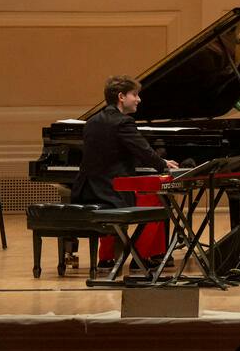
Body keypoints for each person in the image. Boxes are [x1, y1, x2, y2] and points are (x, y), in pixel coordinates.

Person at [74, 76, 178, 264]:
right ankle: (143, 257)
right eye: (135, 95)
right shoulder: (123, 122)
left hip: (88, 190)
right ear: (121, 96)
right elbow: (144, 151)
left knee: (134, 190)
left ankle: (107, 258)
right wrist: (163, 164)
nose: (139, 99)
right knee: (158, 195)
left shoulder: (92, 121)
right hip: (111, 193)